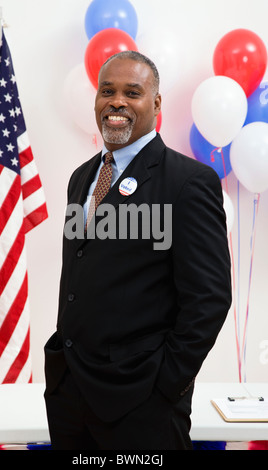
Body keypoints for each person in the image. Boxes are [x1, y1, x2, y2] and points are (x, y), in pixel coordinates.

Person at [44, 51, 232, 450]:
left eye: (133, 92)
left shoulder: (189, 182)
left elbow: (210, 299)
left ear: (156, 103)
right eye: (107, 91)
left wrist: (166, 385)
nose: (117, 101)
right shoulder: (82, 178)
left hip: (141, 405)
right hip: (70, 398)